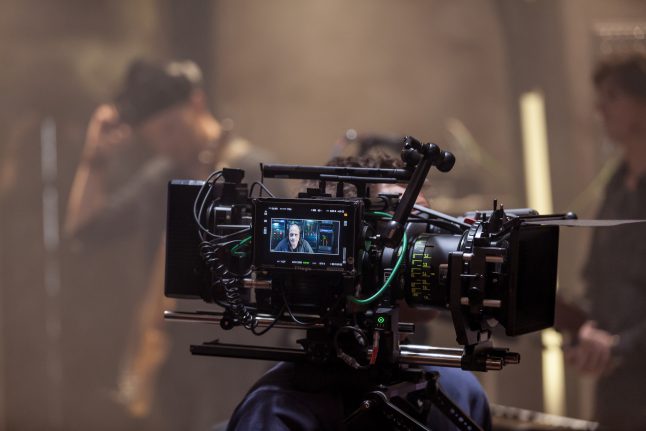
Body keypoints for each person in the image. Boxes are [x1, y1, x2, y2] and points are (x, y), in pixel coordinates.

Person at [65, 58, 281, 430]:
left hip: (241, 356)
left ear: (196, 102)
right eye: (155, 138)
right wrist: (95, 158)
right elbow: (85, 229)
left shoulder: (254, 171)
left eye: (171, 129)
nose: (166, 144)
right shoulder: (161, 177)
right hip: (177, 359)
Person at [227, 153, 491, 431]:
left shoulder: (462, 392)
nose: (430, 245)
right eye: (412, 230)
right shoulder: (276, 412)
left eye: (431, 226)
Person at [563, 52, 646, 430]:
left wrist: (619, 346)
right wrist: (585, 334)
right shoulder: (614, 186)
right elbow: (597, 277)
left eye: (613, 96)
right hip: (616, 389)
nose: (600, 109)